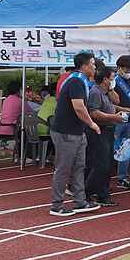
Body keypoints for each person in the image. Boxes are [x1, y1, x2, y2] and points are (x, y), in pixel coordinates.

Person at [49, 53, 101, 218]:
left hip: (76, 131)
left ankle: (80, 201)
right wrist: (92, 124)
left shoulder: (80, 81)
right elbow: (78, 107)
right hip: (66, 132)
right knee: (64, 169)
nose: (94, 67)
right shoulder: (76, 81)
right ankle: (57, 205)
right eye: (92, 64)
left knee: (79, 166)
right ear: (84, 66)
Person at [85, 66, 124, 207]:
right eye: (112, 78)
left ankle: (103, 194)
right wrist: (113, 117)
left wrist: (111, 88)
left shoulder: (106, 92)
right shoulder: (95, 92)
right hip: (99, 131)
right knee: (101, 165)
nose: (113, 80)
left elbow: (117, 101)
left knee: (107, 164)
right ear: (105, 79)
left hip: (108, 130)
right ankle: (87, 192)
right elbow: (94, 113)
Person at [111, 56, 130, 189]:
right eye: (126, 68)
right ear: (119, 68)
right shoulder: (113, 81)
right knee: (112, 148)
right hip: (117, 120)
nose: (128, 71)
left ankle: (122, 178)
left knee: (126, 149)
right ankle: (105, 176)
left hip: (129, 121)